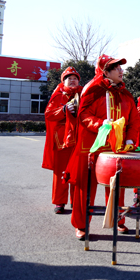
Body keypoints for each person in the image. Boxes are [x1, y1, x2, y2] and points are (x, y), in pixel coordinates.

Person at [65, 54, 140, 240]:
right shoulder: (93, 89)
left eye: (121, 68)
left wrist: (130, 140)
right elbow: (83, 115)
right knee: (86, 187)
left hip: (116, 147)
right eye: (117, 68)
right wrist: (101, 124)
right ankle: (81, 225)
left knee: (117, 186)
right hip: (91, 147)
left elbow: (134, 120)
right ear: (106, 71)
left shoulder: (125, 93)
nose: (121, 71)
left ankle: (118, 219)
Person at [42, 67, 83, 214]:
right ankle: (59, 202)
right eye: (69, 78)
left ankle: (76, 201)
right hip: (62, 139)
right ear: (63, 81)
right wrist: (64, 110)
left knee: (78, 172)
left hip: (79, 138)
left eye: (75, 78)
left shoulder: (83, 94)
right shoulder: (58, 95)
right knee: (61, 172)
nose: (73, 81)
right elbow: (49, 114)